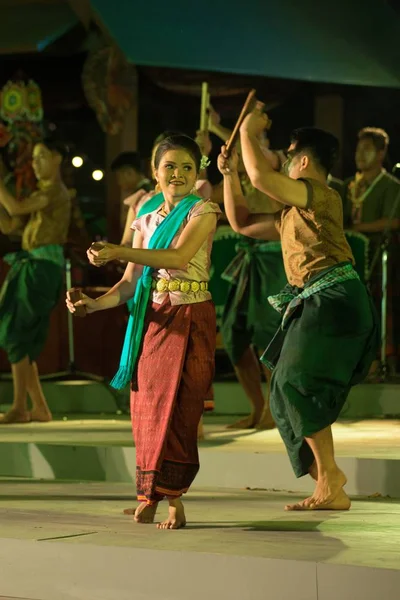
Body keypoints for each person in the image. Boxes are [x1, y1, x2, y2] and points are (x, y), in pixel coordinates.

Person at [218, 105, 378, 511]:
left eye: (288, 157)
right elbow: (239, 221)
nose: (284, 164)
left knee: (294, 382)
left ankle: (330, 476)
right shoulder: (294, 210)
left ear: (303, 160)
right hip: (321, 300)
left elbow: (261, 177)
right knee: (282, 391)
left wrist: (248, 134)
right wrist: (228, 174)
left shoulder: (321, 194)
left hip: (334, 298)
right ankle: (327, 481)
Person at [67, 134, 220, 529]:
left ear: (198, 172)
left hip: (190, 320)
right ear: (155, 174)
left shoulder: (203, 212)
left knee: (181, 413)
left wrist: (119, 252)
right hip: (153, 320)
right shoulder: (146, 221)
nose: (179, 174)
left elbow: (178, 257)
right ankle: (149, 495)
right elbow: (131, 284)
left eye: (188, 167)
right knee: (148, 410)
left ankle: (175, 500)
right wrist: (93, 304)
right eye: (170, 166)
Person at [209, 105, 287, 429]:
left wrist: (222, 130)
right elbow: (208, 196)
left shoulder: (279, 161)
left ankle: (274, 409)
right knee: (234, 332)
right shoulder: (239, 171)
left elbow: (258, 156)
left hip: (274, 258)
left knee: (269, 333)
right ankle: (257, 408)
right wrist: (206, 159)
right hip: (247, 257)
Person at [0, 139, 71, 424]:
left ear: (57, 159)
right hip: (33, 266)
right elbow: (10, 224)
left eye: (42, 156)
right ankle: (39, 408)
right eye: (33, 159)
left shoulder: (55, 190)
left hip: (40, 268)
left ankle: (20, 407)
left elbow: (16, 209)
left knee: (17, 332)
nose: (35, 163)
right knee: (23, 338)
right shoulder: (42, 194)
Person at [342, 127, 400, 375]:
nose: (360, 155)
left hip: (378, 258)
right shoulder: (348, 185)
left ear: (380, 153)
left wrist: (357, 227)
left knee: (378, 308)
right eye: (358, 149)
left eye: (367, 149)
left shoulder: (389, 185)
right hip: (349, 259)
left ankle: (380, 360)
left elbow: (394, 220)